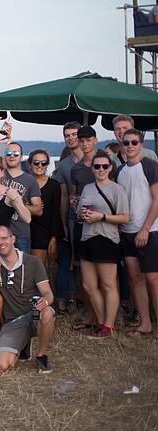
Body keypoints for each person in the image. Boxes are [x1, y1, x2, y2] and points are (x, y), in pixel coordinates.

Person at [0, 226, 56, 373]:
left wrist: (45, 302)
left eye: (4, 238)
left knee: (47, 312)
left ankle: (41, 355)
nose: (0, 243)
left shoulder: (32, 261)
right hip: (12, 323)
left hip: (33, 314)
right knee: (2, 366)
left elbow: (48, 293)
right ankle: (22, 346)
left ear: (13, 239)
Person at [76, 151, 130, 338]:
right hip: (87, 238)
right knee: (88, 285)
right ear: (92, 169)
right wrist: (82, 215)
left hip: (107, 239)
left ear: (110, 168)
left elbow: (125, 217)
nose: (100, 169)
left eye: (104, 166)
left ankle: (108, 325)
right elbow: (79, 213)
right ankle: (101, 322)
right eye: (97, 166)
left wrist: (102, 217)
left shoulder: (117, 189)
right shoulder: (88, 188)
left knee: (108, 285)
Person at [115, 128, 158, 339]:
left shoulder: (150, 166)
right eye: (126, 143)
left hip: (149, 231)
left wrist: (146, 229)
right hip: (127, 232)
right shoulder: (121, 171)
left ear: (142, 144)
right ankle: (145, 323)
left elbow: (157, 200)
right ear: (121, 145)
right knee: (134, 277)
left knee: (153, 279)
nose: (130, 146)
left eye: (134, 142)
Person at [52, 121, 82, 313]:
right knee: (69, 261)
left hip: (97, 219)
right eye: (67, 135)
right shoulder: (64, 165)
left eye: (74, 134)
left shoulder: (98, 159)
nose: (70, 138)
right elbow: (64, 196)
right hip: (72, 219)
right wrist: (62, 223)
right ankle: (66, 299)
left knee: (88, 263)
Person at [2, 142, 43, 252]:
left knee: (22, 268)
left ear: (21, 156)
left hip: (21, 233)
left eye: (15, 154)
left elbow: (38, 210)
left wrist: (17, 203)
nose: (12, 156)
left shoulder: (30, 180)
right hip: (0, 233)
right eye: (8, 153)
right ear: (4, 156)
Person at [28, 150, 64, 265]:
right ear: (30, 164)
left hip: (43, 233)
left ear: (47, 165)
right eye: (36, 163)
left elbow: (55, 213)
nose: (40, 166)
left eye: (43, 163)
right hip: (23, 231)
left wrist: (53, 238)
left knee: (38, 271)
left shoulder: (54, 185)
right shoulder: (24, 183)